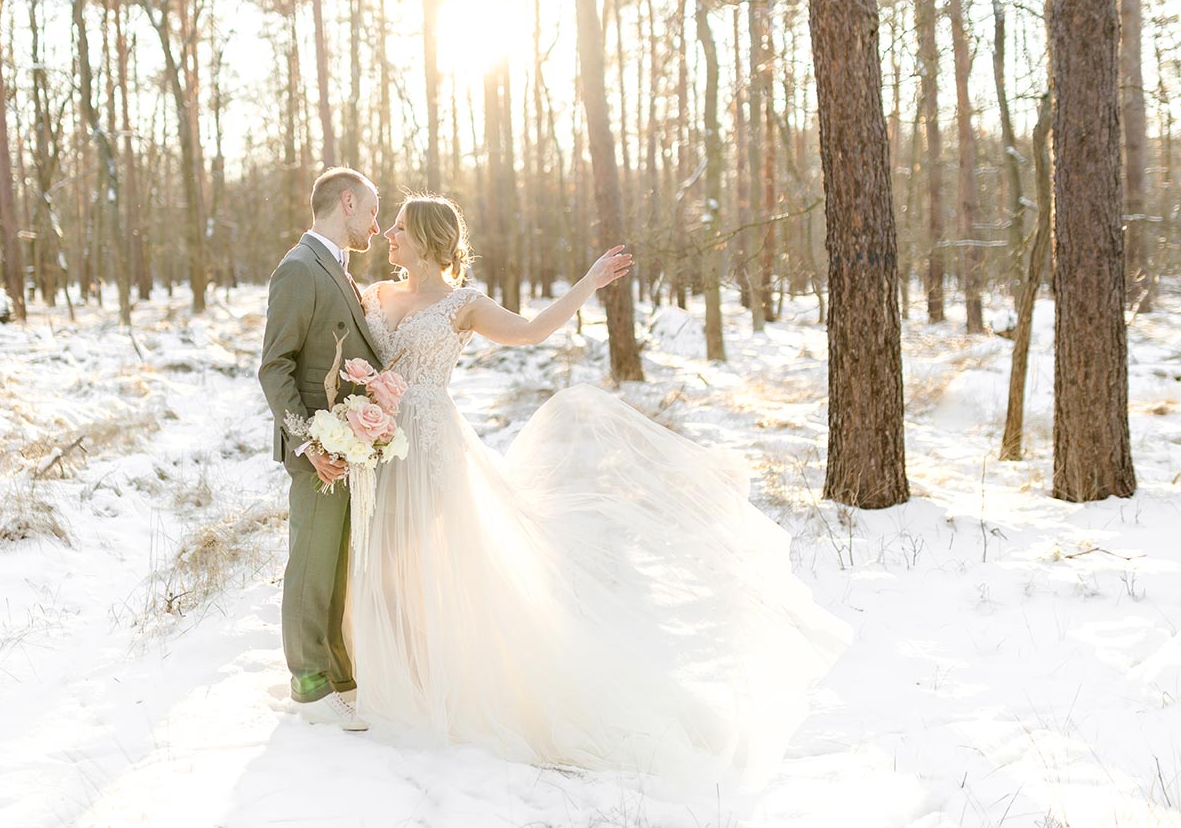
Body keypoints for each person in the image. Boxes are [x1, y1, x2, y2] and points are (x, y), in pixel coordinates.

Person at [349, 194, 850, 786]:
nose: (389, 238)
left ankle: (432, 679)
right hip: (373, 438)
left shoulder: (465, 305)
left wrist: (588, 281)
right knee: (375, 558)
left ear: (430, 239)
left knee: (421, 560)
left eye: (400, 229)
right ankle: (385, 671)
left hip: (431, 444)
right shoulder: (373, 294)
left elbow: (533, 331)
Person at [257, 168, 382, 732]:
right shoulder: (298, 268)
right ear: (347, 202)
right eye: (373, 213)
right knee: (311, 563)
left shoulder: (336, 268)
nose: (377, 228)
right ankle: (307, 684)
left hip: (346, 445)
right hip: (318, 450)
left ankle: (338, 676)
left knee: (334, 566)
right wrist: (306, 441)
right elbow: (275, 366)